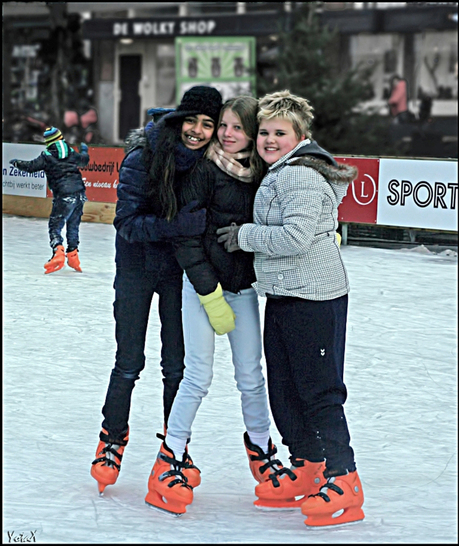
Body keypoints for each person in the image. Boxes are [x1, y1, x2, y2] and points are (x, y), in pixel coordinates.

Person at [216, 90, 364, 528]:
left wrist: (244, 235)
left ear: (300, 136)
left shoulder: (298, 176)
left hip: (314, 297)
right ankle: (308, 466)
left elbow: (295, 238)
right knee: (284, 385)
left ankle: (345, 478)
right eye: (264, 132)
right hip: (285, 293)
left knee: (319, 391)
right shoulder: (280, 171)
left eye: (280, 132)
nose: (269, 140)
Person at [144, 96, 290, 517]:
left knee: (251, 375)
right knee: (198, 376)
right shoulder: (203, 170)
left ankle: (262, 450)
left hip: (242, 290)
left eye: (236, 128)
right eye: (222, 125)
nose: (227, 134)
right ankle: (170, 456)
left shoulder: (262, 174)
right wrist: (208, 291)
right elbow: (187, 238)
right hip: (201, 288)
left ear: (252, 133)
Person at [90, 86, 223, 495]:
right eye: (192, 121)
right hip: (135, 267)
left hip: (176, 272)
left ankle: (175, 447)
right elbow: (126, 222)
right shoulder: (143, 155)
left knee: (176, 367)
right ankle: (112, 437)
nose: (197, 132)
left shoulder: (210, 163)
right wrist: (175, 227)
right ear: (178, 119)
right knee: (128, 360)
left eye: (208, 125)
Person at [9, 127, 89, 274]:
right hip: (79, 194)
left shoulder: (46, 156)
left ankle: (58, 252)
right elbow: (84, 161)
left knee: (55, 225)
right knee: (73, 225)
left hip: (64, 195)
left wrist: (16, 163)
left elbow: (31, 167)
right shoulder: (71, 152)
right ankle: (73, 256)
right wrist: (84, 150)